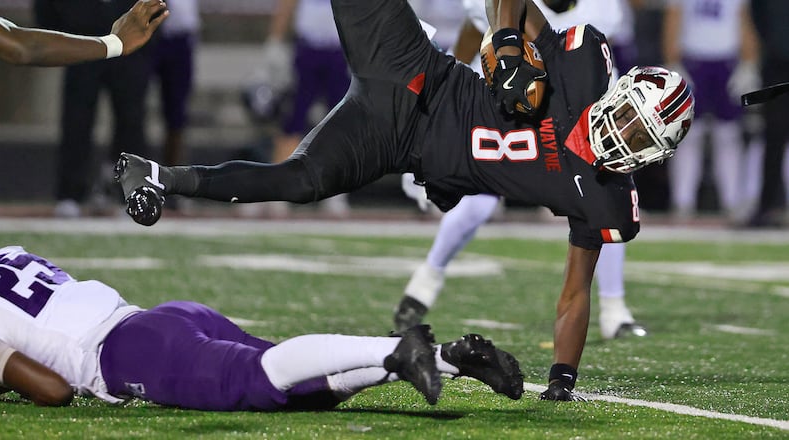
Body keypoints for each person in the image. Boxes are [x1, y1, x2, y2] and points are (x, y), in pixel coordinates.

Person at [114, 0, 695, 400]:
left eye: (643, 137)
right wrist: (510, 45)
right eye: (630, 118)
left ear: (655, 156)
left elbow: (574, 292)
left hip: (396, 143)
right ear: (620, 92)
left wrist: (563, 375)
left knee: (300, 182)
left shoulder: (606, 200)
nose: (626, 134)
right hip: (412, 69)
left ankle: (160, 176)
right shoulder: (581, 66)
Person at [0, 245, 523, 409]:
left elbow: (52, 390)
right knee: (304, 390)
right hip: (164, 318)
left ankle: (397, 352)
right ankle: (448, 359)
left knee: (256, 379)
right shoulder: (10, 252)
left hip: (125, 352)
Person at [397, 0, 647, 342]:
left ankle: (615, 309)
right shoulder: (513, 6)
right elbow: (471, 34)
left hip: (580, 117)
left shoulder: (602, 8)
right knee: (479, 202)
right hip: (514, 109)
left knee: (604, 199)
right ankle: (425, 282)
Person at [34, 0, 160, 218]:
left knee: (131, 122)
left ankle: (131, 195)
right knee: (77, 120)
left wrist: (147, 37)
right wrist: (62, 31)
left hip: (129, 47)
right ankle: (70, 194)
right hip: (82, 42)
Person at [662, 0, 760, 223]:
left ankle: (732, 201)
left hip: (727, 60)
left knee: (728, 134)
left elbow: (744, 20)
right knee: (687, 134)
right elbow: (672, 20)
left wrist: (749, 63)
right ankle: (682, 201)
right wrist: (672, 62)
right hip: (693, 59)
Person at [261, 0, 352, 218]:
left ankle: (335, 190)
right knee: (293, 119)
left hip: (338, 51)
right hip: (308, 50)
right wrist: (275, 38)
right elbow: (287, 5)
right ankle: (280, 186)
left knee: (339, 123)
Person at [0, 0, 167, 66]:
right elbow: (27, 48)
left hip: (129, 62)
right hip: (80, 39)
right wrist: (115, 43)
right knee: (77, 124)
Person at [746, 0, 789, 228]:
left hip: (776, 59)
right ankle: (769, 206)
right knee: (773, 137)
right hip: (776, 64)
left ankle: (770, 205)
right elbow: (756, 15)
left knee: (773, 138)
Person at [148, 0, 199, 176]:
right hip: (145, 33)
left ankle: (173, 180)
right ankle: (126, 178)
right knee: (130, 107)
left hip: (180, 36)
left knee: (177, 112)